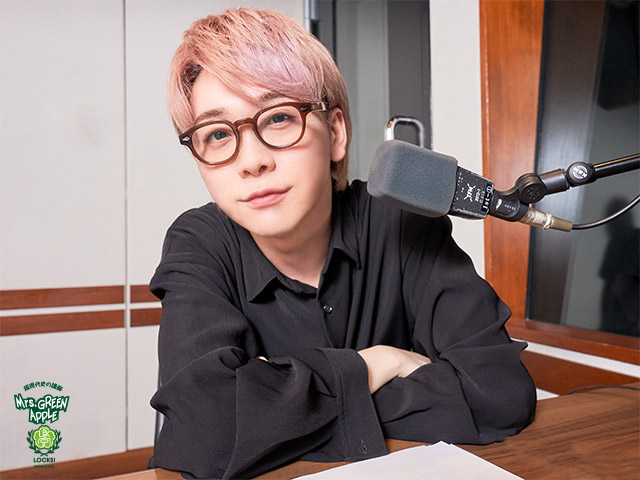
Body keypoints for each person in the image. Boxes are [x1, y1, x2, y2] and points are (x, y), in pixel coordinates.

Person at [149, 7, 536, 480]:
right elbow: (205, 430)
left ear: (335, 133)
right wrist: (375, 364)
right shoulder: (198, 243)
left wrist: (271, 410)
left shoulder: (401, 222)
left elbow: (498, 392)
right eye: (215, 133)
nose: (251, 161)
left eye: (278, 118)